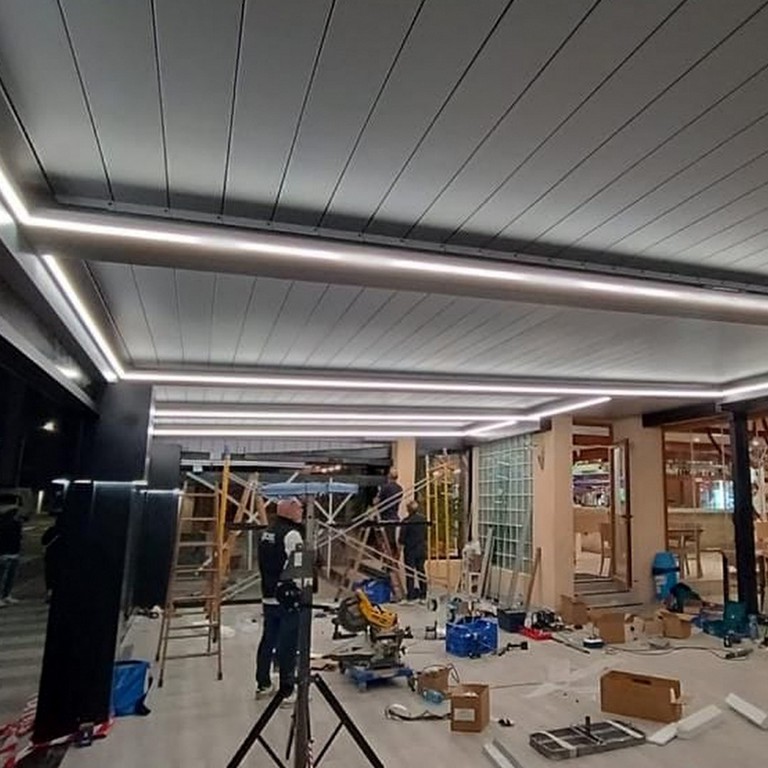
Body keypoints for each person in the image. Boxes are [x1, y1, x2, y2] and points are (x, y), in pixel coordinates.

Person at [255, 497, 304, 704]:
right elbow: (299, 568)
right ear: (290, 509)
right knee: (288, 644)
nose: (302, 511)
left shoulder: (266, 532)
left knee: (268, 640)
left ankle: (263, 684)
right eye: (299, 507)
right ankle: (287, 689)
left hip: (268, 595)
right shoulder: (292, 535)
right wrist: (302, 592)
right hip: (287, 599)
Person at [398, 500, 427, 604]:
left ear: (408, 510)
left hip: (410, 550)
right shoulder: (423, 519)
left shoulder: (406, 521)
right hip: (421, 548)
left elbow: (402, 538)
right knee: (421, 571)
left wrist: (399, 550)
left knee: (410, 573)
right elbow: (425, 534)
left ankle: (411, 597)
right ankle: (423, 595)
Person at [0, 494, 23, 607]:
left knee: (10, 576)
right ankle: (3, 596)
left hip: (13, 551)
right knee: (2, 576)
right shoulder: (5, 523)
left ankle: (6, 595)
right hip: (4, 552)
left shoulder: (15, 523)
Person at [374, 469, 403, 555]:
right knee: (392, 540)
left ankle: (386, 556)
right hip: (394, 517)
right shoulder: (399, 488)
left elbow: (376, 501)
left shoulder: (385, 487)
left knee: (385, 540)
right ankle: (393, 555)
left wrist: (376, 499)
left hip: (385, 518)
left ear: (389, 476)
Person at [41, 515, 64, 602]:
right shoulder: (67, 531)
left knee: (50, 575)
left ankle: (49, 592)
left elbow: (43, 541)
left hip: (50, 556)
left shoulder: (52, 530)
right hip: (62, 558)